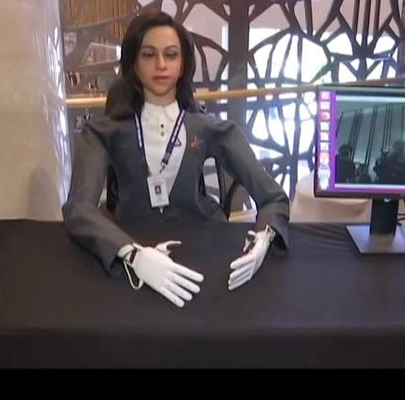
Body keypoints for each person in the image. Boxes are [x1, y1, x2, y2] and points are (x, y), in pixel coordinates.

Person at [62, 11, 289, 308]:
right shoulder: (102, 132)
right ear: (133, 62)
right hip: (133, 255)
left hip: (204, 256)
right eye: (148, 54)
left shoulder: (212, 129)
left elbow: (273, 198)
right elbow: (78, 209)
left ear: (183, 65)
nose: (161, 65)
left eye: (171, 55)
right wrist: (132, 253)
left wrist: (262, 239)